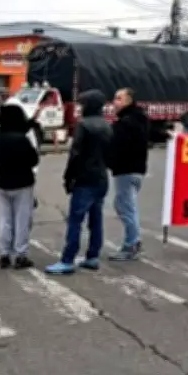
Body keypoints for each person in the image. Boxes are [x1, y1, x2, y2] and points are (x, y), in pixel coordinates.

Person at [45, 90, 112, 275]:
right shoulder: (107, 125)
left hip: (84, 179)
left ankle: (67, 259)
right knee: (96, 219)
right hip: (101, 178)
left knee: (75, 220)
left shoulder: (84, 125)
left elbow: (75, 154)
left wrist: (68, 177)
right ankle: (92, 256)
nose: (80, 108)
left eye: (82, 104)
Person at [0, 104, 39, 269]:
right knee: (22, 220)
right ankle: (21, 254)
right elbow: (33, 159)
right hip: (22, 182)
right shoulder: (22, 139)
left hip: (3, 182)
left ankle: (4, 253)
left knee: (5, 219)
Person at [107, 88, 149, 261]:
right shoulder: (141, 119)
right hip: (137, 170)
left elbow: (117, 147)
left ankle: (131, 244)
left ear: (128, 101)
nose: (114, 102)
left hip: (126, 169)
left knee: (125, 207)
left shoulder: (124, 124)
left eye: (118, 98)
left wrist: (109, 161)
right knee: (125, 205)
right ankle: (133, 241)